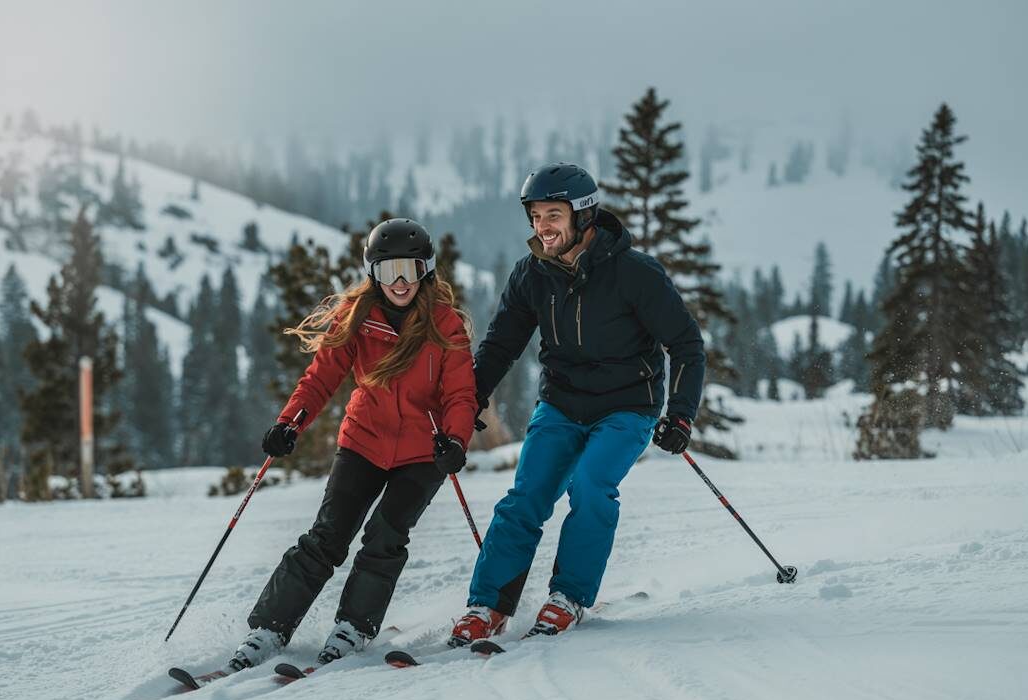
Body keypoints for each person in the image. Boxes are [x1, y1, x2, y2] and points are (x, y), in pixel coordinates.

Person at [448, 163, 704, 645]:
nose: (542, 227)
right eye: (535, 216)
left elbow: (687, 346)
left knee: (590, 487)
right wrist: (469, 400)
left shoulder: (635, 273)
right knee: (525, 498)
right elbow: (501, 345)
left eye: (552, 215)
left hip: (628, 406)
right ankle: (488, 605)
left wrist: (681, 412)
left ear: (583, 215)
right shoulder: (532, 273)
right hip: (562, 404)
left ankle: (568, 596)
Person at [229, 218, 476, 671]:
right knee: (327, 535)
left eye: (409, 269)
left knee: (385, 536)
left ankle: (353, 626)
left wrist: (456, 440)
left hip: (424, 453)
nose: (399, 282)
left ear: (427, 271)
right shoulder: (356, 317)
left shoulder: (446, 326)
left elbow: (461, 394)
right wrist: (290, 424)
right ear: (372, 274)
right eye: (387, 271)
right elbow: (321, 378)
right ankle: (268, 628)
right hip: (363, 440)